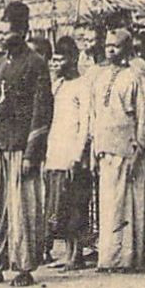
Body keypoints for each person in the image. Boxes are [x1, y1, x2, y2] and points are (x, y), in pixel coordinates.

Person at [0, 1, 52, 287]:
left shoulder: (36, 64)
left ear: (23, 31)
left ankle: (24, 268)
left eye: (8, 32)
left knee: (23, 209)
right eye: (1, 32)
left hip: (22, 149)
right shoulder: (2, 64)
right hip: (2, 147)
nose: (3, 37)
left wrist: (32, 154)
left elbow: (42, 111)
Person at [89, 28, 145, 272]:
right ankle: (108, 257)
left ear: (127, 48)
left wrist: (140, 147)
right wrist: (94, 148)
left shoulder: (135, 77)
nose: (110, 50)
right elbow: (94, 116)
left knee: (126, 203)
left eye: (115, 46)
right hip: (105, 148)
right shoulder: (99, 77)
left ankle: (127, 258)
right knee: (108, 205)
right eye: (107, 45)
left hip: (127, 148)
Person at [44, 36, 93, 270]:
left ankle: (78, 255)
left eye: (59, 59)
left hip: (72, 154)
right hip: (55, 151)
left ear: (72, 59)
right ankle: (67, 253)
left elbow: (84, 123)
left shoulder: (82, 86)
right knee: (59, 205)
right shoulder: (58, 86)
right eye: (53, 59)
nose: (55, 64)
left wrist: (77, 155)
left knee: (75, 205)